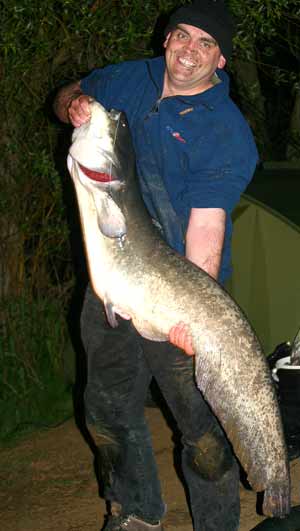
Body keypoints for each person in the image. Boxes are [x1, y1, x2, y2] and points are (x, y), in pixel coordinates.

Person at [54, 1, 259, 530]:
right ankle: (136, 513)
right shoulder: (128, 80)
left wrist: (193, 315)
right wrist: (75, 101)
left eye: (206, 44)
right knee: (108, 408)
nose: (189, 50)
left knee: (202, 426)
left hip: (182, 280)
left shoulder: (226, 132)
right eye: (183, 36)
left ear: (221, 61)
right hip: (113, 282)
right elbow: (66, 96)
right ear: (167, 38)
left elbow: (206, 228)